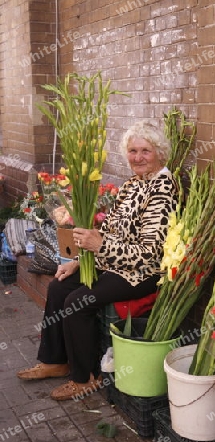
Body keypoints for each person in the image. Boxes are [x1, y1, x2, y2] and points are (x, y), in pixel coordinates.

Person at [17, 120, 179, 401]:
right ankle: (56, 361)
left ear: (160, 153)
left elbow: (150, 253)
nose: (137, 157)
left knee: (76, 302)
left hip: (140, 273)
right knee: (58, 287)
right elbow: (108, 228)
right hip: (111, 263)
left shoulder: (162, 188)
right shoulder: (132, 184)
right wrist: (79, 261)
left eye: (145, 151)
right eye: (132, 151)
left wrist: (101, 246)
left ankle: (85, 378)